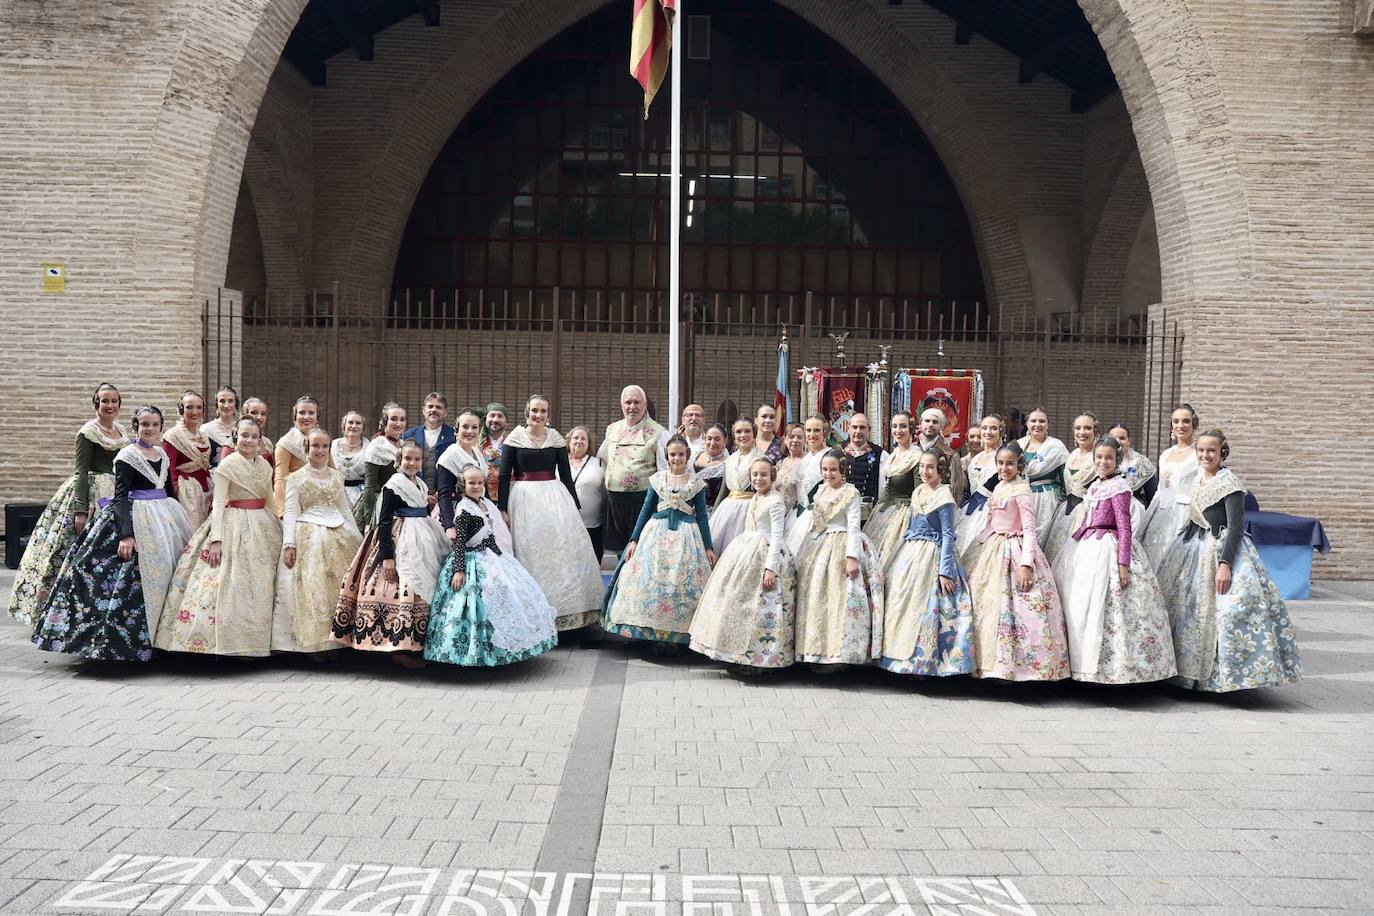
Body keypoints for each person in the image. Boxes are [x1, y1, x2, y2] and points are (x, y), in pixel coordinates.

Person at [34, 405, 192, 661]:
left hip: (167, 518)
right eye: (144, 424)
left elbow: (169, 490)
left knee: (171, 573)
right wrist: (126, 535)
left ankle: (166, 638)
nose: (149, 429)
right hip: (138, 517)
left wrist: (182, 523)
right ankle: (126, 644)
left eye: (154, 424)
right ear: (135, 427)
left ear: (161, 428)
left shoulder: (162, 454)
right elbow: (120, 499)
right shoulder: (127, 456)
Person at [1156, 430, 1300, 692]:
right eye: (1201, 450)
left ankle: (1215, 677)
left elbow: (1235, 528)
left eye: (1211, 450)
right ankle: (1181, 672)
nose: (1205, 455)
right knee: (1184, 609)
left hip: (1218, 548)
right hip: (1191, 547)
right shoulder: (1196, 478)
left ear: (1222, 452)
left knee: (1227, 612)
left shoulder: (1231, 484)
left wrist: (1225, 565)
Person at [1051, 436, 1177, 684]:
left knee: (1108, 605)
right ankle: (1078, 663)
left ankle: (1111, 668)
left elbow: (1125, 527)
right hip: (1086, 545)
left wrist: (1123, 563)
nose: (1103, 461)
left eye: (1108, 458)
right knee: (1078, 600)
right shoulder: (1096, 485)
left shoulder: (1120, 487)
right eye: (1099, 457)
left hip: (1109, 546)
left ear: (1117, 460)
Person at [155, 417, 280, 657]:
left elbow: (270, 498)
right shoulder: (228, 464)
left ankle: (259, 641)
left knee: (261, 583)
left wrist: (278, 525)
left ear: (259, 440)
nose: (249, 440)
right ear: (236, 437)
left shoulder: (265, 466)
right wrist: (216, 539)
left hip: (262, 524)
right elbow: (220, 503)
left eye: (254, 436)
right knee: (228, 581)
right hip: (233, 522)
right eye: (244, 435)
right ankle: (221, 643)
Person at [7, 383, 128, 628]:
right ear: (96, 403)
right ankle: (60, 611)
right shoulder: (87, 432)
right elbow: (81, 471)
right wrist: (80, 509)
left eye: (114, 401)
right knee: (75, 552)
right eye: (104, 401)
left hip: (115, 493)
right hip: (93, 491)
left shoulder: (121, 431)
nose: (110, 405)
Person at [425, 466, 559, 667]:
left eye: (480, 483)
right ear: (463, 485)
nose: (477, 486)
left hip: (490, 555)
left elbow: (488, 535)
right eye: (471, 483)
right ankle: (476, 652)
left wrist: (502, 558)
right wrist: (459, 570)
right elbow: (460, 543)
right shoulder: (464, 509)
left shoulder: (482, 505)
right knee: (477, 606)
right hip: (471, 562)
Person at [333, 438, 449, 667]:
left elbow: (422, 508)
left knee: (425, 586)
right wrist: (387, 557)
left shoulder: (420, 483)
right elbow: (384, 522)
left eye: (416, 459)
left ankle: (417, 644)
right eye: (407, 459)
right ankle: (400, 647)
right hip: (401, 538)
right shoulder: (393, 484)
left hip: (423, 536)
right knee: (405, 586)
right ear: (398, 461)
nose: (412, 463)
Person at [498, 395, 605, 631]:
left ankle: (566, 613)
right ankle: (531, 613)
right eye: (535, 410)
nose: (539, 415)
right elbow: (504, 476)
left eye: (543, 411)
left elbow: (566, 477)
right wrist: (503, 508)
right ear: (527, 412)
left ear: (548, 414)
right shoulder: (514, 439)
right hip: (524, 499)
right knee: (529, 552)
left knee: (559, 550)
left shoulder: (556, 438)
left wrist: (575, 508)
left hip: (554, 497)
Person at [965, 443, 1070, 681]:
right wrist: (979, 544)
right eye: (1000, 463)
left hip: (1015, 548)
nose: (1004, 468)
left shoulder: (1022, 490)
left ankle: (1018, 667)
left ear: (1019, 465)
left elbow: (1030, 530)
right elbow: (991, 522)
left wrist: (1026, 564)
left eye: (1010, 463)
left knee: (1018, 609)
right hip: (993, 547)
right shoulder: (999, 486)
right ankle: (986, 663)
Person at [602, 435, 717, 647]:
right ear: (667, 456)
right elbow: (646, 510)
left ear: (687, 456)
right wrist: (634, 540)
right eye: (673, 454)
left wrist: (708, 546)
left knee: (682, 581)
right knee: (650, 578)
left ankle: (678, 636)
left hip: (687, 536)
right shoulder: (657, 480)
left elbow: (702, 515)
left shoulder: (696, 484)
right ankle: (648, 632)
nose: (677, 458)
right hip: (655, 534)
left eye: (681, 454)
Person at [690, 458, 797, 671]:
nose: (759, 479)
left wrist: (770, 567)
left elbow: (777, 535)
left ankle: (758, 659)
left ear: (772, 477)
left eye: (764, 475)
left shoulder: (775, 500)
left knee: (762, 606)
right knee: (736, 600)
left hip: (766, 552)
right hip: (744, 549)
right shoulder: (755, 497)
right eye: (755, 475)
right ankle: (735, 653)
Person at [877, 448, 975, 677]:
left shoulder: (944, 497)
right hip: (912, 551)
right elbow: (912, 524)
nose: (924, 471)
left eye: (930, 467)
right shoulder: (918, 491)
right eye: (921, 466)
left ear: (940, 470)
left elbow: (949, 535)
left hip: (934, 553)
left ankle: (923, 663)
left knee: (929, 606)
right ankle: (897, 658)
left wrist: (945, 571)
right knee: (900, 598)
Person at [273, 428, 362, 654]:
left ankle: (337, 642)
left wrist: (359, 539)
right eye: (315, 446)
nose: (320, 450)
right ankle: (315, 646)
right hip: (309, 535)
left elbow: (344, 508)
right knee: (313, 587)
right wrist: (289, 543)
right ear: (307, 448)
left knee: (339, 587)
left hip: (337, 532)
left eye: (324, 446)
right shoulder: (295, 478)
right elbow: (291, 511)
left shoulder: (336, 475)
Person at [792, 450, 885, 668]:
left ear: (842, 470)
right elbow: (817, 523)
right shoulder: (820, 491)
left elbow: (854, 525)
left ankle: (841, 653)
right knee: (818, 596)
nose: (828, 474)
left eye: (833, 469)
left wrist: (852, 556)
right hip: (821, 544)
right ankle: (817, 650)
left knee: (842, 597)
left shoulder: (850, 493)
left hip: (843, 542)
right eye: (825, 469)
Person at [599, 384, 667, 555]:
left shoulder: (659, 433)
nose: (632, 407)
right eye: (628, 402)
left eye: (637, 402)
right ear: (621, 405)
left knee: (641, 550)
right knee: (621, 553)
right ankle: (621, 581)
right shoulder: (612, 430)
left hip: (643, 502)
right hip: (615, 502)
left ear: (645, 405)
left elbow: (663, 470)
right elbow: (604, 460)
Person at [1141, 404, 1202, 568]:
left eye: (1185, 421)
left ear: (1193, 424)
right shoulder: (1166, 454)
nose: (1180, 426)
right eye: (1176, 421)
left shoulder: (1199, 453)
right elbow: (1162, 486)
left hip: (1185, 513)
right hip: (1160, 510)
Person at [863, 411, 921, 572]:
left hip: (907, 513)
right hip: (888, 510)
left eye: (903, 426)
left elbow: (919, 492)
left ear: (911, 430)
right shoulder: (893, 456)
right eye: (895, 426)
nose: (898, 430)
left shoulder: (916, 456)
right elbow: (889, 488)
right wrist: (878, 510)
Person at [1042, 413, 1101, 563]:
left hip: (1088, 514)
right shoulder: (1072, 455)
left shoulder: (1099, 457)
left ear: (1095, 431)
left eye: (1087, 428)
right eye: (1078, 428)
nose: (1082, 432)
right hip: (1066, 512)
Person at [709, 418, 763, 554]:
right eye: (739, 432)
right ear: (734, 435)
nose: (743, 435)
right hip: (727, 510)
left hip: (750, 509)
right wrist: (713, 515)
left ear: (754, 434)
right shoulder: (730, 460)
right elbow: (723, 492)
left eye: (747, 431)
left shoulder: (761, 459)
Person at [163, 389, 214, 529]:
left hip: (207, 489)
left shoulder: (203, 435)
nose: (194, 411)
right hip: (186, 492)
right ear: (181, 409)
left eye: (198, 407)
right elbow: (169, 469)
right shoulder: (173, 435)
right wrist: (174, 497)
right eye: (189, 407)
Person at [352, 402, 406, 531]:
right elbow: (369, 488)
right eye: (394, 419)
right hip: (381, 505)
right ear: (385, 422)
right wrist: (367, 521)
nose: (398, 424)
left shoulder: (404, 445)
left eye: (402, 419)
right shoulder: (377, 446)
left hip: (402, 504)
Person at [956, 414, 1004, 559]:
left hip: (994, 513)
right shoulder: (976, 458)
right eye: (985, 428)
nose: (988, 432)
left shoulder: (1004, 456)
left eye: (993, 428)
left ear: (1001, 432)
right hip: (970, 511)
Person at [783, 415, 831, 555]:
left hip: (819, 517)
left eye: (816, 430)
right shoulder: (806, 458)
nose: (812, 434)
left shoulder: (830, 455)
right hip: (797, 518)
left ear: (825, 432)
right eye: (808, 430)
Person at [1017, 406, 1069, 533]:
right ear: (1027, 423)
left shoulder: (1056, 446)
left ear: (1048, 424)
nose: (1037, 424)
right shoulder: (1018, 445)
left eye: (1042, 421)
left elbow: (1066, 479)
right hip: (1020, 497)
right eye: (1033, 421)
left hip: (1046, 499)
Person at [436, 409, 488, 533]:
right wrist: (449, 526)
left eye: (474, 427)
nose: (470, 431)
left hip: (480, 509)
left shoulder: (477, 453)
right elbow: (444, 494)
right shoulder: (449, 456)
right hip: (459, 514)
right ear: (457, 429)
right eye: (465, 427)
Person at [272, 395, 323, 517]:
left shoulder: (322, 440)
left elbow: (332, 472)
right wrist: (282, 512)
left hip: (321, 504)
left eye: (311, 413)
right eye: (301, 413)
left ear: (317, 417)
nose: (306, 417)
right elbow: (280, 479)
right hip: (296, 505)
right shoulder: (285, 443)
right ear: (295, 418)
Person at [567, 426, 606, 562]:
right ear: (569, 441)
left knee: (593, 565)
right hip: (565, 526)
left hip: (593, 526)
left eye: (583, 438)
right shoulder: (559, 464)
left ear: (589, 443)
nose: (579, 441)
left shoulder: (599, 464)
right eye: (575, 438)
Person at [403, 392, 455, 491]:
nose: (433, 410)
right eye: (430, 406)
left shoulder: (454, 437)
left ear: (445, 413)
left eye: (438, 407)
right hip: (414, 492)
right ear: (423, 411)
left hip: (444, 494)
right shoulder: (408, 435)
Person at [916, 407, 967, 505]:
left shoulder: (950, 455)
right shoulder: (912, 450)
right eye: (927, 421)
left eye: (935, 422)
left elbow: (957, 487)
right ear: (921, 423)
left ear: (941, 427)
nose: (930, 424)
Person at [1109, 424, 1157, 508]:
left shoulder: (1141, 462)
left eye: (1122, 438)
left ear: (1128, 441)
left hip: (1134, 514)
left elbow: (1152, 497)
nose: (1118, 441)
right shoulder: (1100, 462)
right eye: (1114, 438)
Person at [841, 413, 885, 503]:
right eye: (854, 427)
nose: (858, 431)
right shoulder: (838, 452)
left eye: (862, 427)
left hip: (870, 510)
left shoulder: (880, 454)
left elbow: (884, 488)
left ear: (869, 430)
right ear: (848, 429)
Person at [332, 411, 369, 507]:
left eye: (358, 423)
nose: (354, 426)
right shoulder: (332, 446)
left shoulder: (370, 447)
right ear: (344, 425)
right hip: (335, 495)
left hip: (361, 497)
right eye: (350, 422)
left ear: (363, 427)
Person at [693, 424, 730, 506]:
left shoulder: (728, 464)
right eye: (709, 439)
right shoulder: (696, 456)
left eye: (717, 439)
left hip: (715, 509)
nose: (712, 443)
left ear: (725, 441)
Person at [479, 402, 509, 502]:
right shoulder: (475, 444)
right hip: (480, 498)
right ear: (485, 420)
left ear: (507, 422)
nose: (495, 420)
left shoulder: (513, 444)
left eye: (500, 416)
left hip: (507, 498)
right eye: (492, 415)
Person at [774, 423, 807, 512]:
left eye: (799, 437)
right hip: (780, 514)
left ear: (805, 440)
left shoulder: (808, 462)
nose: (795, 440)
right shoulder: (781, 463)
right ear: (785, 439)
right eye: (791, 437)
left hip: (799, 514)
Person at [234, 398, 275, 465]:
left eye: (263, 414)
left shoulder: (268, 443)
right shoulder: (233, 442)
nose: (259, 417)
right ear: (245, 414)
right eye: (254, 413)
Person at [201, 385, 240, 456]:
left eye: (230, 401)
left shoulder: (243, 428)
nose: (226, 405)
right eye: (222, 401)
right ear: (217, 404)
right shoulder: (205, 430)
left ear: (235, 404)